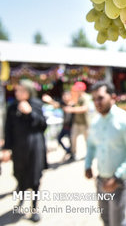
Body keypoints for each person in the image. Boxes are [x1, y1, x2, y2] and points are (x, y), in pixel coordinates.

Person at [85, 81, 126, 226]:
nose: (97, 102)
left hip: (119, 182)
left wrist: (116, 178)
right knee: (105, 220)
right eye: (94, 99)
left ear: (113, 97)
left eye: (100, 98)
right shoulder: (96, 122)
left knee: (117, 222)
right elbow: (91, 145)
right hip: (101, 180)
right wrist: (87, 164)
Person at [1, 79, 47, 222]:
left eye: (20, 90)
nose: (17, 93)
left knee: (34, 179)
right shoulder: (12, 107)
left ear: (28, 91)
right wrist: (6, 149)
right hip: (18, 148)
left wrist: (30, 112)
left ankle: (34, 208)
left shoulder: (36, 104)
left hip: (35, 148)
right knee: (19, 176)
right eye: (16, 90)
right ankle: (20, 201)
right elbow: (8, 129)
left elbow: (43, 125)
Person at [42, 91, 74, 160]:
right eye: (64, 96)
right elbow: (56, 105)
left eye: (66, 96)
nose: (65, 97)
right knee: (59, 139)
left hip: (72, 126)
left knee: (72, 141)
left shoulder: (73, 104)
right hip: (65, 126)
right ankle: (68, 151)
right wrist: (50, 100)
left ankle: (71, 153)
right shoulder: (63, 104)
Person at [65, 81, 90, 160]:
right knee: (73, 138)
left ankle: (89, 155)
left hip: (85, 123)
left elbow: (84, 108)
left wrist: (72, 109)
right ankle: (73, 153)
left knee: (87, 140)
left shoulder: (86, 97)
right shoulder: (76, 97)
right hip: (76, 122)